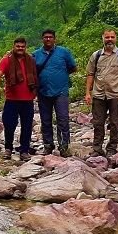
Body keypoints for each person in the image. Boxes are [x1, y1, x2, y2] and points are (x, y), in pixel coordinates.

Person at [84, 30, 118, 157]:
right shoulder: (96, 55)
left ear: (116, 38)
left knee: (115, 122)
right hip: (99, 94)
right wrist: (88, 93)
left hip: (116, 94)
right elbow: (90, 74)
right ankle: (97, 148)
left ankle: (112, 148)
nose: (109, 39)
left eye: (112, 37)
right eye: (107, 37)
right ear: (103, 38)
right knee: (98, 122)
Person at [0, 37, 38, 161]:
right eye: (18, 46)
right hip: (12, 99)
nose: (20, 48)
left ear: (25, 47)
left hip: (27, 100)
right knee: (9, 125)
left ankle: (24, 150)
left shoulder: (31, 60)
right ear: (14, 46)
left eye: (22, 46)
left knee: (27, 126)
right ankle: (8, 148)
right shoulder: (7, 60)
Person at [32, 29, 77, 157]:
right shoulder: (35, 55)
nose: (48, 39)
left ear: (54, 39)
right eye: (45, 37)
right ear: (42, 39)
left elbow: (73, 67)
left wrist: (60, 75)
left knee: (63, 118)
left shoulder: (64, 52)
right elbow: (31, 72)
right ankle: (48, 145)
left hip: (61, 91)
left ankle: (64, 146)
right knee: (46, 120)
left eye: (50, 37)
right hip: (43, 91)